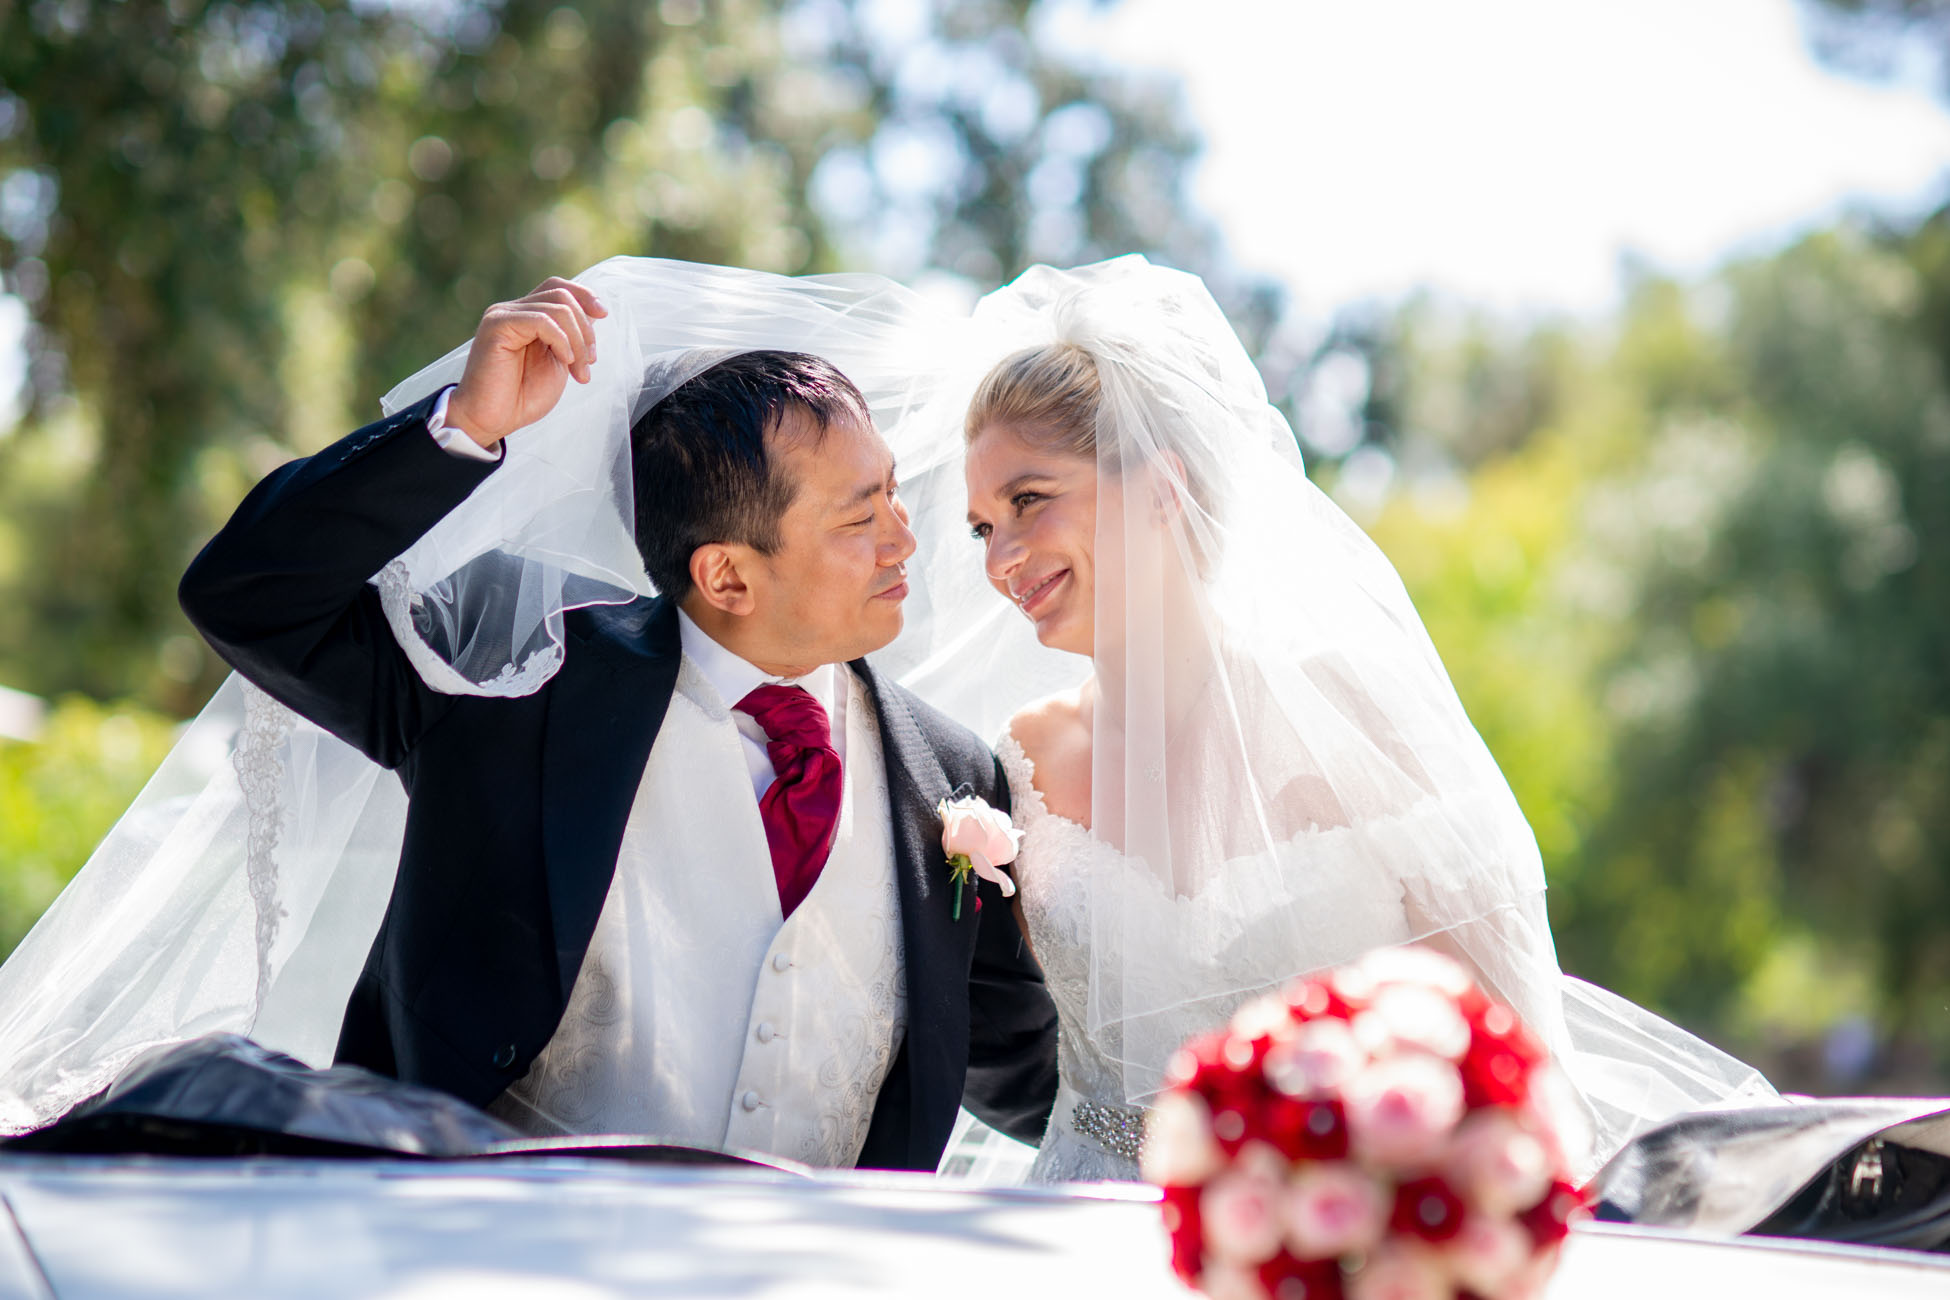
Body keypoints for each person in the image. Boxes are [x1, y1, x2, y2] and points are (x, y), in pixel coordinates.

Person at [0, 261, 1058, 1172]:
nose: (904, 541)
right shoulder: (516, 686)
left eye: (892, 494)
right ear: (726, 573)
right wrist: (461, 431)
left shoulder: (953, 770)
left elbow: (1027, 1072)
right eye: (860, 514)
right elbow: (248, 592)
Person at [889, 257, 1776, 1183]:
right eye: (985, 527)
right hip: (1077, 1226)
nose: (1003, 559)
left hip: (1339, 1237)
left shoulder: (1353, 720)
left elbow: (1508, 1048)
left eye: (1029, 500)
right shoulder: (1026, 759)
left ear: (1161, 486)